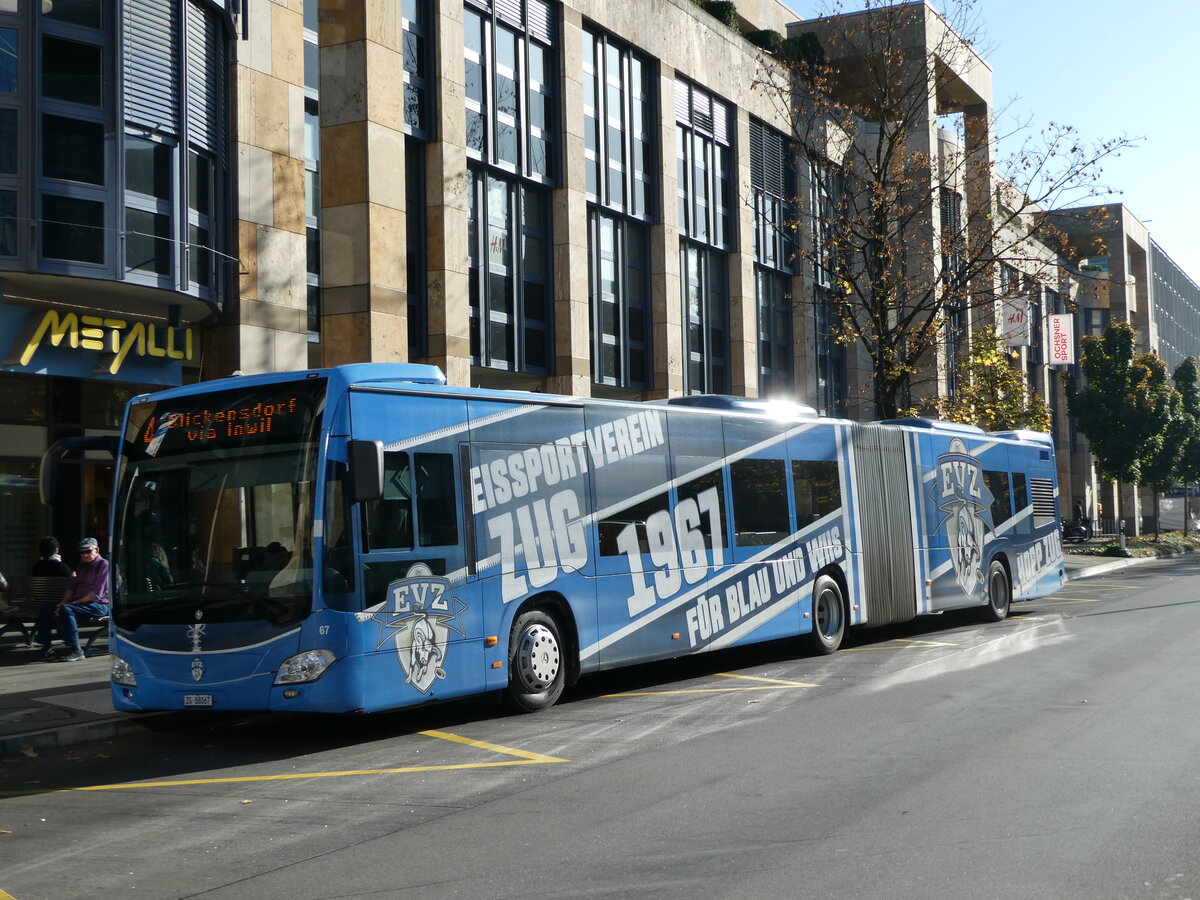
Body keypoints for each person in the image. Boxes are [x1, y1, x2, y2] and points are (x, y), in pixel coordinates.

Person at [35, 537, 109, 662]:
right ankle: (46, 646)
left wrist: (71, 603)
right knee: (46, 607)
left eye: (88, 551)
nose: (85, 555)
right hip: (77, 603)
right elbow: (71, 588)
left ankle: (76, 649)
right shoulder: (81, 567)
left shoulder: (104, 566)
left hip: (98, 605)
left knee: (67, 609)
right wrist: (63, 601)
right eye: (82, 552)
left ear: (96, 550)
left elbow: (96, 594)